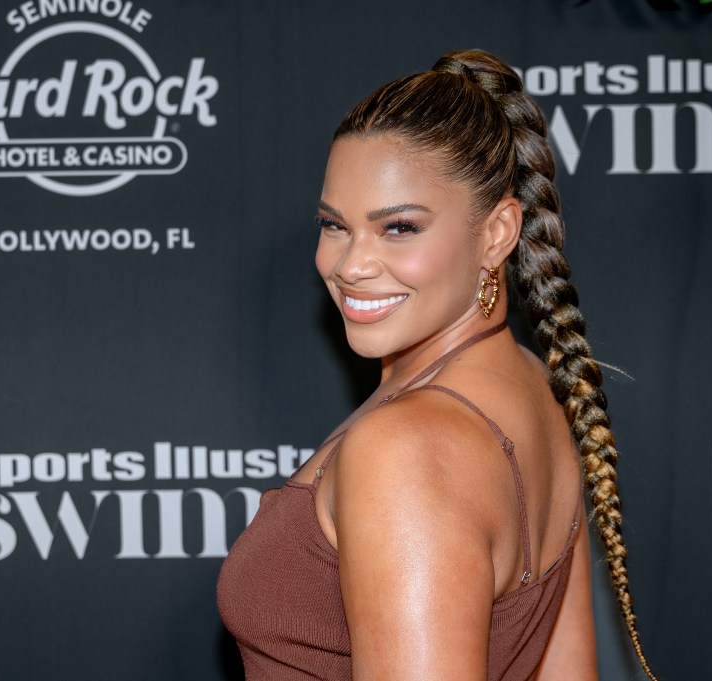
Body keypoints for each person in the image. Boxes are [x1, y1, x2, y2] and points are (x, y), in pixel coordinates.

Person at [218, 49, 657, 681]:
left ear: (499, 233)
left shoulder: (407, 448)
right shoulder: (535, 383)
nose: (350, 265)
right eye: (334, 225)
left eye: (398, 228)